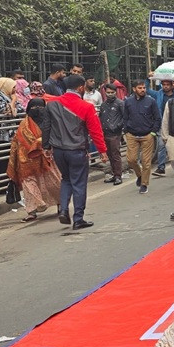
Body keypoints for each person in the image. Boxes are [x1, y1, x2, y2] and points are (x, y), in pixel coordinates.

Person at [41, 73, 108, 230]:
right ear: (80, 88)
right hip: (77, 150)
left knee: (66, 179)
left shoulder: (52, 104)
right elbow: (95, 131)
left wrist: (46, 147)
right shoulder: (86, 107)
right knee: (79, 183)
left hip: (58, 151)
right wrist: (102, 151)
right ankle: (78, 218)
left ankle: (63, 209)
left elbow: (46, 126)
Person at [8, 99, 63, 222]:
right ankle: (32, 211)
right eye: (34, 107)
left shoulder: (50, 121)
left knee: (55, 183)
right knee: (29, 186)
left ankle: (62, 205)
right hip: (26, 161)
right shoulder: (23, 124)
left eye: (40, 106)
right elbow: (17, 141)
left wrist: (42, 144)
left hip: (47, 159)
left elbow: (55, 136)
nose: (37, 110)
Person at [123, 80, 160, 195]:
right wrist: (126, 131)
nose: (143, 90)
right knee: (131, 160)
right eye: (140, 88)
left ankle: (144, 184)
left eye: (144, 87)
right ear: (134, 89)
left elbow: (157, 118)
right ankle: (139, 175)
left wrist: (153, 133)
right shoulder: (128, 102)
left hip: (147, 135)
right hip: (132, 135)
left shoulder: (151, 101)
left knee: (146, 162)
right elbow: (125, 117)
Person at [98, 83, 125, 185]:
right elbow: (101, 117)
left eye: (112, 92)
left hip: (115, 134)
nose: (110, 94)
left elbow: (125, 117)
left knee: (115, 154)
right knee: (109, 154)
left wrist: (118, 126)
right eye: (108, 92)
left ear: (115, 92)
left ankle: (118, 175)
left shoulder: (120, 103)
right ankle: (114, 174)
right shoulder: (103, 105)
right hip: (105, 132)